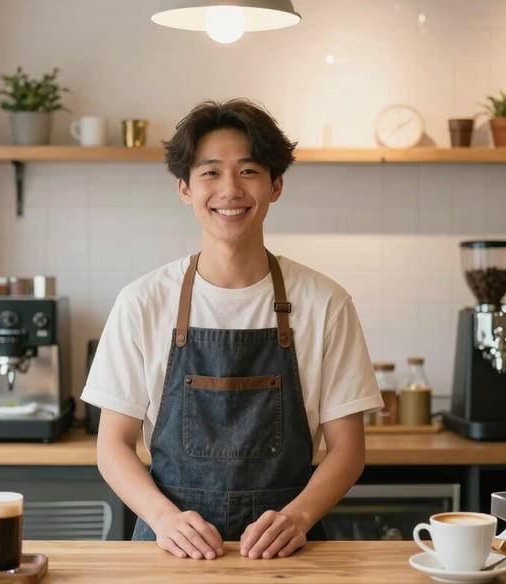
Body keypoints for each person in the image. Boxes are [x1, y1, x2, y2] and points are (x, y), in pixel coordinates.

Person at [81, 98, 382, 561]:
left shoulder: (326, 304)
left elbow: (348, 450)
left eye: (247, 171)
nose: (229, 190)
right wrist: (164, 519)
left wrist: (298, 517)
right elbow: (112, 446)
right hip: (171, 549)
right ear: (184, 188)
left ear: (276, 185)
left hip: (289, 551)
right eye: (210, 173)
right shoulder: (142, 302)